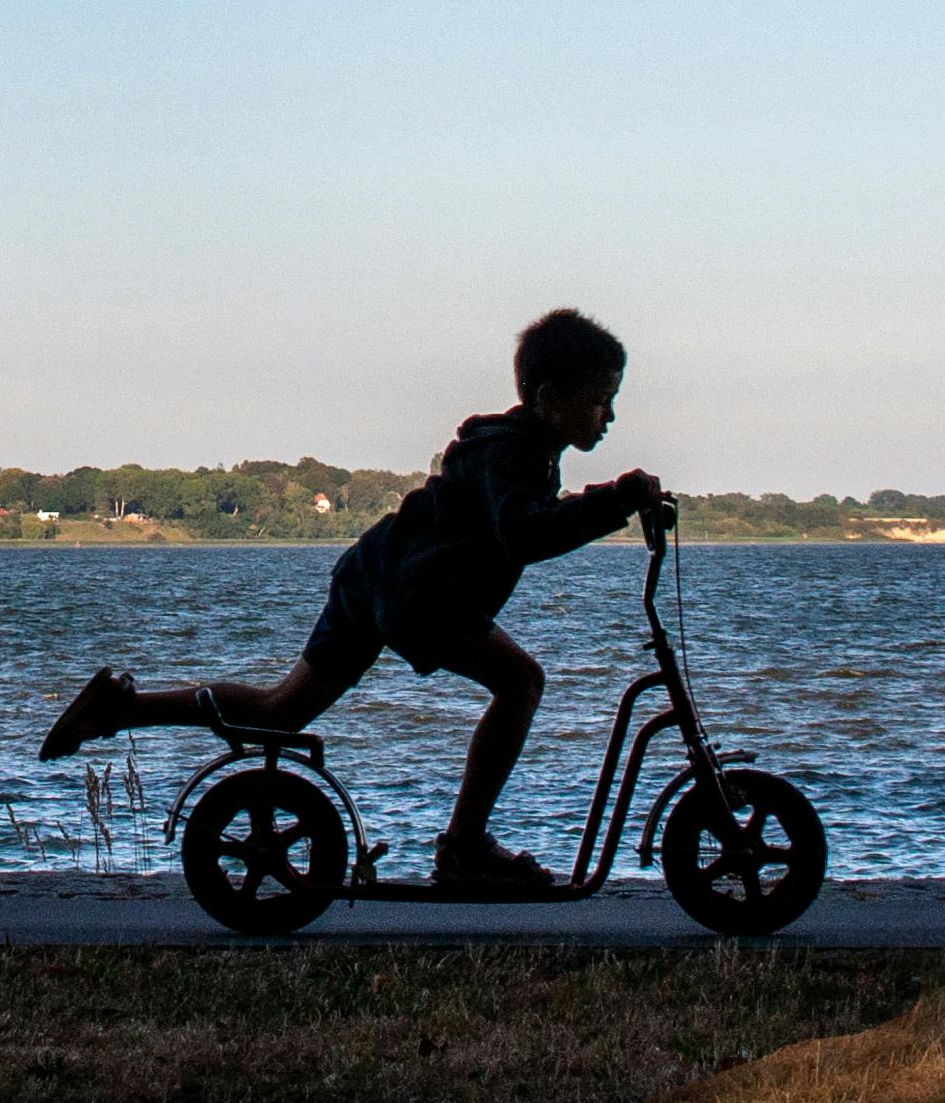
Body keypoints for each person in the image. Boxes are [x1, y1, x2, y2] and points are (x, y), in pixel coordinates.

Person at [34, 308, 665, 890]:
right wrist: (614, 502)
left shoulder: (516, 447)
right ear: (552, 399)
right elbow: (524, 534)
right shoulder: (512, 452)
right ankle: (463, 847)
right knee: (521, 682)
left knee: (279, 713)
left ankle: (121, 709)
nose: (608, 417)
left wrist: (608, 503)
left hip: (373, 573)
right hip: (417, 594)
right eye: (600, 400)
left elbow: (525, 520)